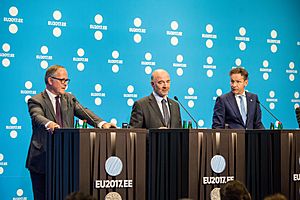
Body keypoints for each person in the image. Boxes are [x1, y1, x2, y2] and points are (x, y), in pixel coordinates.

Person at [26, 65, 116, 200]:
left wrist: (102, 124)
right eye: (62, 80)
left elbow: (84, 112)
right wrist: (49, 123)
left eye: (67, 81)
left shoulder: (69, 98)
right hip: (43, 160)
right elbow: (37, 116)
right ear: (50, 80)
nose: (65, 84)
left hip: (66, 159)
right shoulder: (36, 100)